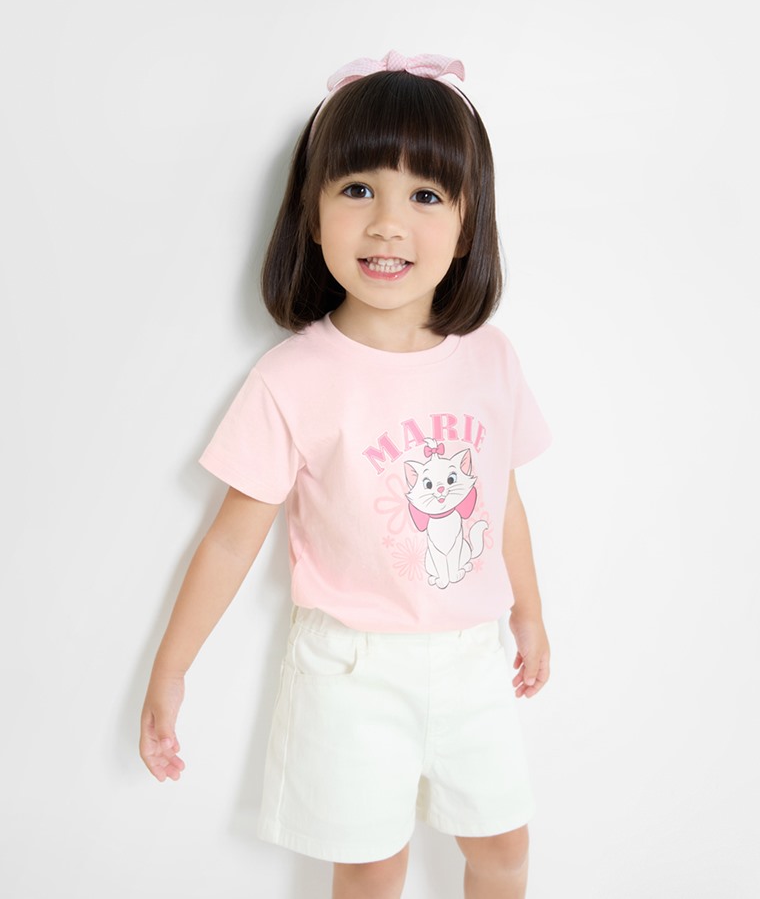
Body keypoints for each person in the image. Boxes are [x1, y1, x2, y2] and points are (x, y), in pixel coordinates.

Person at [140, 50, 553, 899]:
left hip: (472, 661)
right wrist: (172, 666)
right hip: (351, 672)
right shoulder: (294, 378)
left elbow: (501, 495)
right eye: (359, 189)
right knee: (370, 866)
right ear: (313, 211)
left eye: (426, 196)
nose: (388, 224)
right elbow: (230, 541)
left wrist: (530, 611)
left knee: (505, 847)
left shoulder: (490, 359)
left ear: (469, 222)